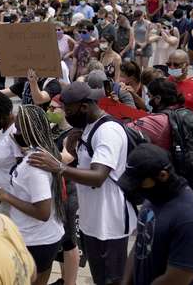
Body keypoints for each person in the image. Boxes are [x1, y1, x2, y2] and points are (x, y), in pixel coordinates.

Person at [29, 82, 134, 285]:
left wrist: (58, 167)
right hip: (93, 220)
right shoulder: (87, 127)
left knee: (113, 280)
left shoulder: (108, 131)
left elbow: (99, 176)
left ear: (84, 107)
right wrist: (74, 147)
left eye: (68, 109)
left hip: (109, 221)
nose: (65, 114)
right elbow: (87, 167)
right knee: (100, 279)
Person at [118, 144, 193, 285]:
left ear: (162, 175)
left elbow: (176, 280)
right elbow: (141, 244)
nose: (135, 189)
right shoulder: (153, 199)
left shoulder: (190, 219)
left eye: (139, 183)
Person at [0, 105, 65, 285]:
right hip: (43, 238)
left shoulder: (35, 164)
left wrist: (7, 197)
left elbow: (43, 212)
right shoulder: (39, 154)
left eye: (18, 128)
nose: (15, 132)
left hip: (36, 242)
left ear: (28, 131)